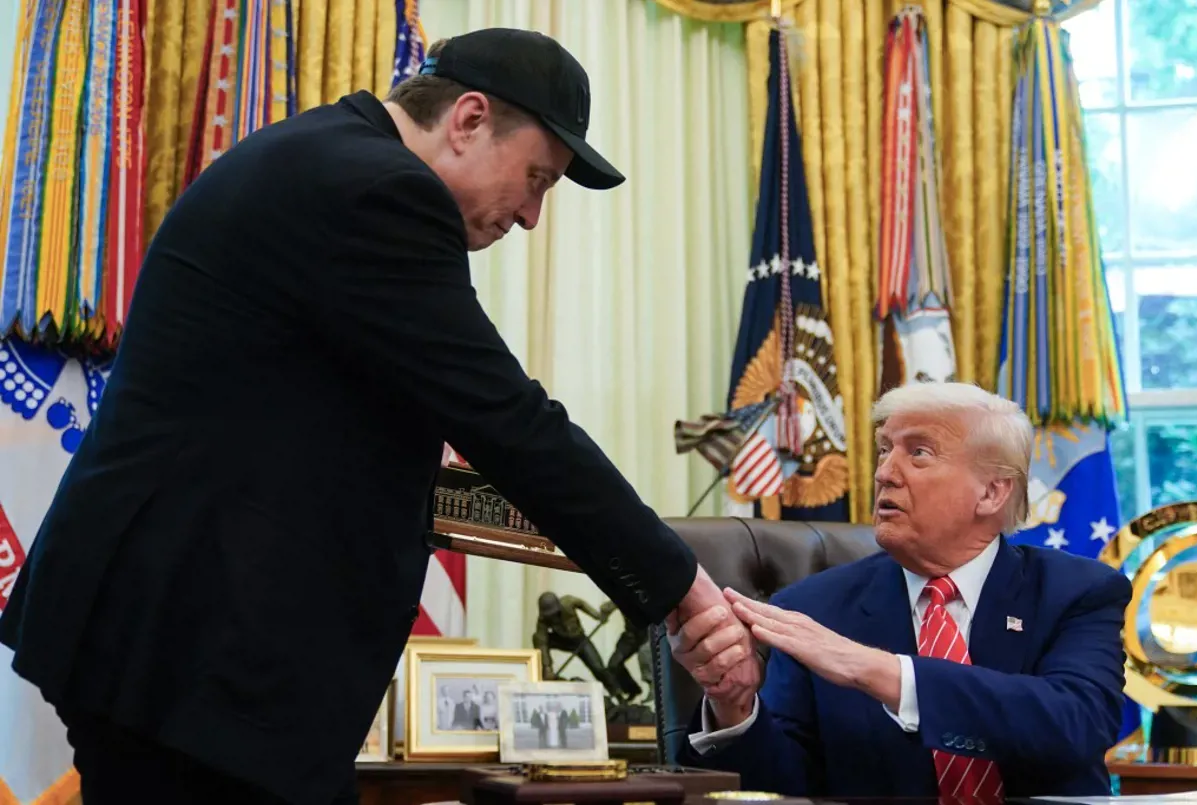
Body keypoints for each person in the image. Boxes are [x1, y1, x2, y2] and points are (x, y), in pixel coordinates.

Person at [0, 27, 750, 805]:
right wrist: (682, 586)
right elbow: (507, 419)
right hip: (190, 656)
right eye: (536, 179)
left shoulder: (321, 154)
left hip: (173, 645)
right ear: (467, 119)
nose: (531, 215)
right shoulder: (377, 191)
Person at [671, 382, 1132, 800]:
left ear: (992, 493)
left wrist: (876, 671)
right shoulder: (812, 610)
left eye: (919, 453)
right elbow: (783, 787)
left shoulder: (1077, 591)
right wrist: (734, 708)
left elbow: (1077, 724)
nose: (885, 473)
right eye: (884, 450)